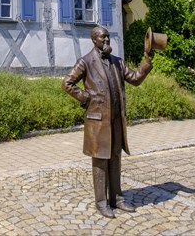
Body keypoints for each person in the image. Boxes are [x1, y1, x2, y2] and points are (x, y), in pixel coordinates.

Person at [62, 25, 154, 218]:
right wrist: (86, 98)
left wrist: (147, 60)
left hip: (115, 121)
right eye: (102, 38)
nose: (106, 41)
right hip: (97, 122)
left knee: (115, 159)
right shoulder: (85, 62)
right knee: (100, 162)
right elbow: (67, 83)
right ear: (94, 40)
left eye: (108, 37)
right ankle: (101, 202)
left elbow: (136, 79)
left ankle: (117, 198)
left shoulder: (117, 62)